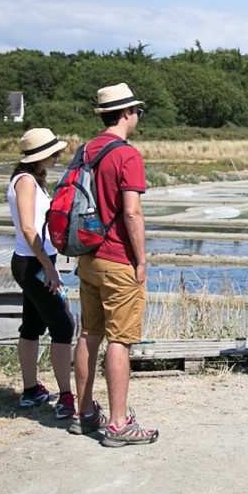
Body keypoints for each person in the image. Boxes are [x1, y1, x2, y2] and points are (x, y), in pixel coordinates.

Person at [70, 83, 159, 447]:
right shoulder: (127, 155)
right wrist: (141, 261)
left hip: (88, 258)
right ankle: (119, 424)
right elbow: (132, 212)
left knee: (90, 333)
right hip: (117, 259)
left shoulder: (85, 149)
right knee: (120, 340)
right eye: (136, 111)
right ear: (126, 114)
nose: (138, 116)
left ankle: (85, 412)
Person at [7, 128, 75, 417]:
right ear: (41, 156)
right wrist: (50, 269)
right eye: (54, 152)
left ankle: (31, 390)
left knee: (32, 326)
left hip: (35, 261)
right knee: (64, 325)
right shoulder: (25, 182)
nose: (58, 155)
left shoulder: (32, 180)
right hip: (33, 264)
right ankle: (66, 397)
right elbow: (27, 227)